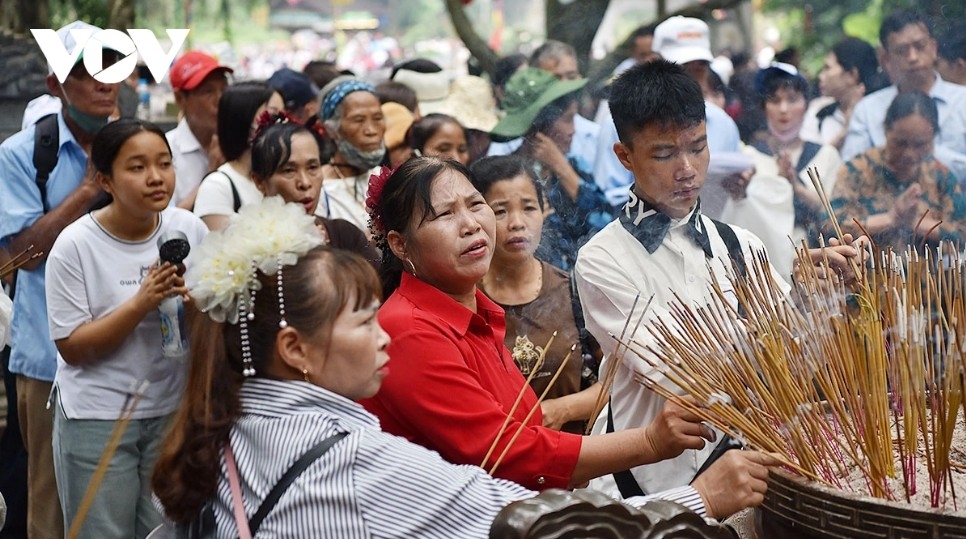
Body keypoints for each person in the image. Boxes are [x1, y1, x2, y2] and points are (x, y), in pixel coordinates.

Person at [150, 198, 743, 537]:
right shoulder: (352, 459)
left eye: (475, 205)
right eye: (360, 321)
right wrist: (699, 499)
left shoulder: (229, 424)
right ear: (293, 349)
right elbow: (529, 520)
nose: (379, 333)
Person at [360, 156, 782, 519]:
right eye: (445, 215)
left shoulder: (478, 316)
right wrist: (652, 442)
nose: (471, 223)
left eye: (474, 204)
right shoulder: (408, 328)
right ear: (399, 244)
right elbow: (509, 454)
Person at [572, 60, 866, 505]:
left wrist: (814, 296)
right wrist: (782, 309)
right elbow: (684, 374)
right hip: (647, 488)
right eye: (664, 154)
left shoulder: (742, 245)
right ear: (625, 156)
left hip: (744, 470)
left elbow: (793, 366)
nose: (687, 168)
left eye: (699, 147)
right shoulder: (601, 260)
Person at [45, 119, 208, 537]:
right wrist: (142, 301)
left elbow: (211, 324)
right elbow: (74, 347)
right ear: (105, 180)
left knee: (165, 530)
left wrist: (195, 306)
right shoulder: (75, 245)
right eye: (136, 167)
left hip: (170, 408)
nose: (156, 177)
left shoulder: (188, 228)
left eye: (164, 164)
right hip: (97, 415)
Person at [0, 20, 121, 539]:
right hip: (47, 356)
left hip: (124, 350)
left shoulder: (137, 145)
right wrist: (89, 188)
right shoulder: (22, 154)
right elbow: (23, 255)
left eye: (110, 66)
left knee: (120, 493)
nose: (102, 80)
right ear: (55, 84)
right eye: (85, 70)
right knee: (48, 500)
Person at [471, 155, 603, 434]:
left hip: (581, 466)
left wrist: (561, 409)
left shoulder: (575, 290)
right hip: (499, 468)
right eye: (500, 211)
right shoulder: (466, 301)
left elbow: (618, 382)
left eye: (529, 207)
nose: (517, 223)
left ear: (545, 211)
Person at [720, 63, 842, 279]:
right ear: (764, 106)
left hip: (817, 267)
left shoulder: (826, 155)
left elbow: (835, 212)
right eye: (774, 100)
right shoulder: (748, 158)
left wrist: (794, 186)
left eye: (792, 99)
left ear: (806, 104)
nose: (783, 109)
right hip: (765, 271)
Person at [490, 68, 615, 271]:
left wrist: (562, 168)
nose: (573, 130)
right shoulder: (506, 177)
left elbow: (607, 225)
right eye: (567, 119)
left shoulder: (573, 165)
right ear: (539, 127)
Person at [830, 92, 966, 255]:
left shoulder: (940, 176)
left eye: (920, 144)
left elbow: (961, 235)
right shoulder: (857, 169)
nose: (910, 154)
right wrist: (890, 219)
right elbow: (829, 226)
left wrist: (915, 222)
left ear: (933, 138)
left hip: (926, 279)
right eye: (900, 143)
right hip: (864, 278)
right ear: (886, 131)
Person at [842, 9, 966, 182]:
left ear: (933, 48)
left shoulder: (963, 102)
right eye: (902, 50)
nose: (913, 57)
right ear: (885, 58)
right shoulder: (868, 110)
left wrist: (924, 154)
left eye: (920, 46)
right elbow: (852, 172)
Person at [250, 113, 379, 267]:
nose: (305, 183)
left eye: (312, 167)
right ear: (259, 182)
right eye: (289, 171)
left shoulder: (345, 235)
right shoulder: (246, 246)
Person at [193, 82, 284, 231]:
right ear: (243, 118)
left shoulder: (281, 178)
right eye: (273, 116)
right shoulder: (218, 185)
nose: (283, 126)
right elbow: (221, 248)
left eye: (284, 116)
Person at [165, 51, 233, 210]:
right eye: (208, 91)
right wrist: (212, 176)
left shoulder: (239, 144)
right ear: (180, 99)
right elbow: (166, 223)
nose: (219, 100)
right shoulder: (166, 151)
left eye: (224, 89)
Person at [318, 78, 386, 234]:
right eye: (358, 120)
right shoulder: (320, 188)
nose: (371, 130)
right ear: (332, 129)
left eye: (377, 118)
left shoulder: (386, 178)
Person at [801, 37, 882, 149]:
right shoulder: (819, 116)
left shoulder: (882, 114)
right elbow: (812, 165)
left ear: (851, 75)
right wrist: (845, 130)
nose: (821, 76)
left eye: (827, 68)